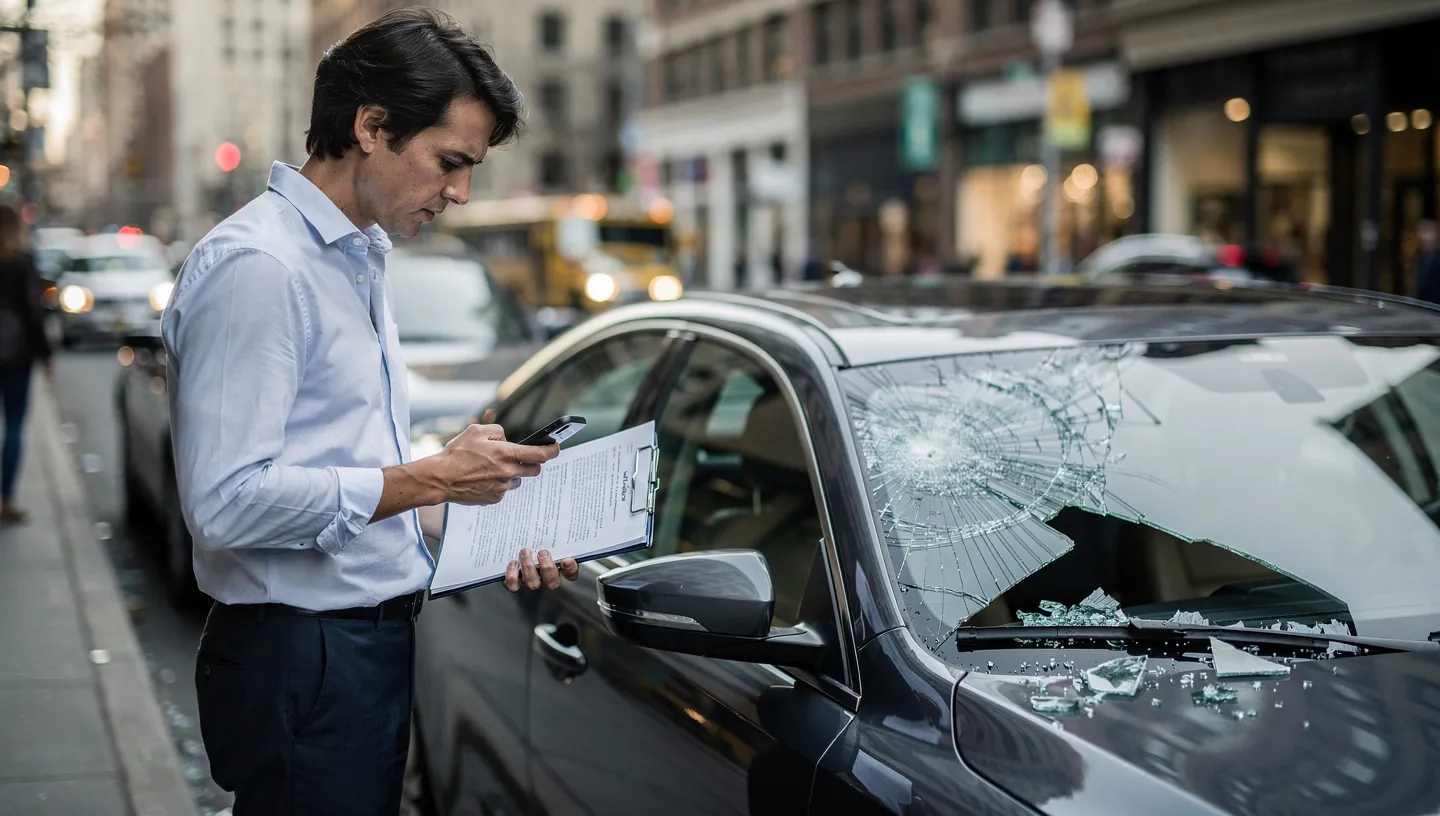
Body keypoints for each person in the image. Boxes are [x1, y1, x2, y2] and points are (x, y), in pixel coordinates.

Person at [161, 9, 577, 814]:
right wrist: (430, 478)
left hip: (355, 648)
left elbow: (348, 486)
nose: (459, 192)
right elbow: (225, 505)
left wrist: (482, 516)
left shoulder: (357, 254)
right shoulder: (260, 268)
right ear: (372, 126)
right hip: (304, 657)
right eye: (450, 162)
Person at [0, 201, 53, 523]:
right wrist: (45, 354)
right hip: (16, 352)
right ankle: (5, 498)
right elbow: (33, 313)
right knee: (15, 424)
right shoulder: (22, 261)